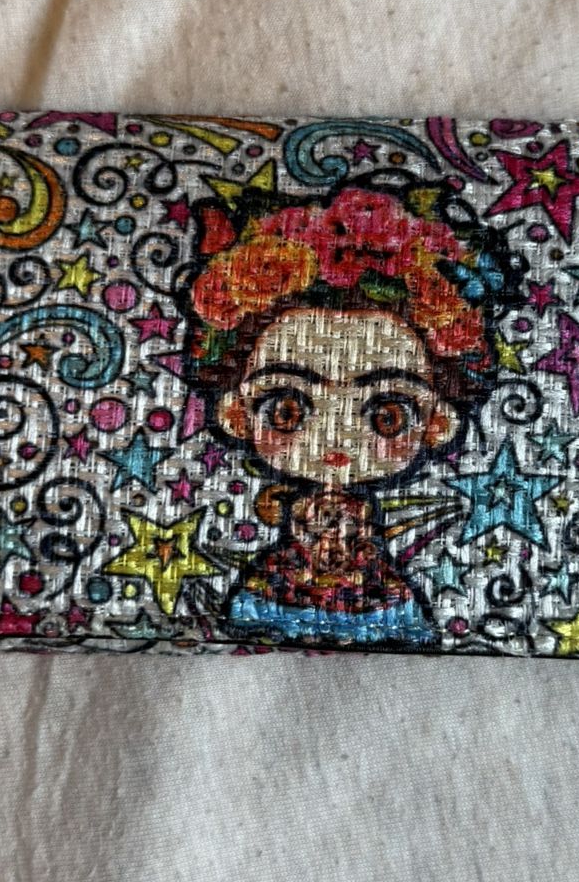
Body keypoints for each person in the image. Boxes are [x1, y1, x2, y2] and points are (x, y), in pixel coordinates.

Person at [179, 177, 513, 646]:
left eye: (387, 415)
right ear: (236, 412)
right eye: (287, 409)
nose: (336, 439)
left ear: (438, 422)